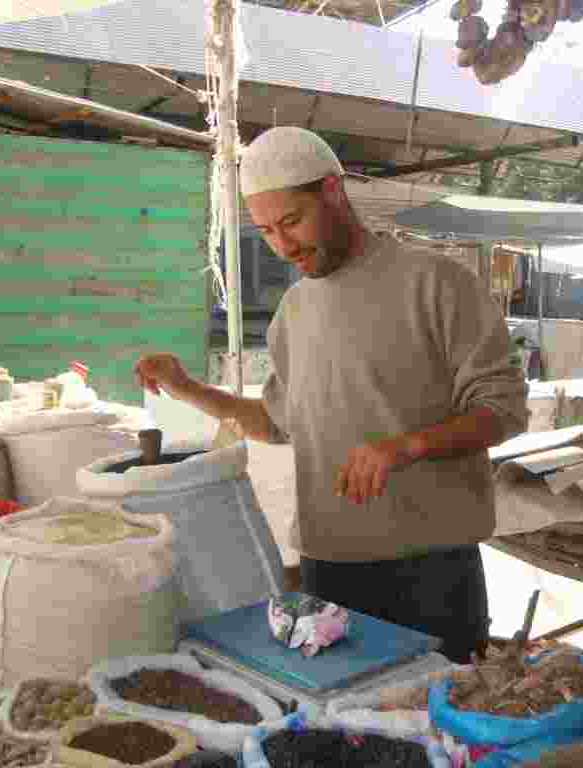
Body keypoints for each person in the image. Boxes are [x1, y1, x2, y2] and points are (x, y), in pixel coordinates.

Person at [135, 127, 528, 663]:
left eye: (292, 222)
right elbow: (276, 422)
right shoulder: (294, 313)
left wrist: (404, 448)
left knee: (442, 730)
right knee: (345, 733)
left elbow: (502, 411)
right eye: (267, 231)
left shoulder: (436, 283)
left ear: (333, 190)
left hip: (432, 571)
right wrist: (185, 388)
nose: (283, 245)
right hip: (328, 570)